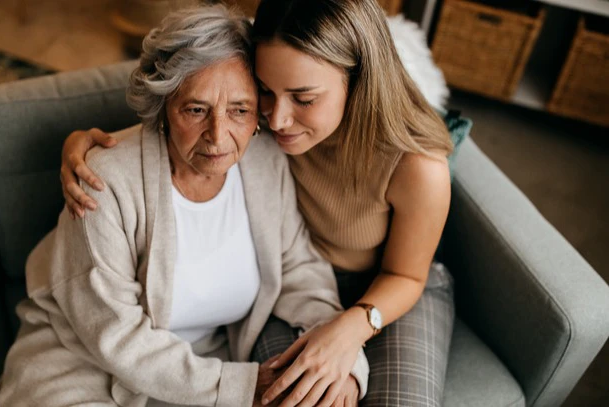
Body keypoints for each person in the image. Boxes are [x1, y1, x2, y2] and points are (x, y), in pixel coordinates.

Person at [60, 0, 456, 406]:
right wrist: (88, 149)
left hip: (392, 288)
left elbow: (406, 275)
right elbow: (196, 91)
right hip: (296, 282)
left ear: (357, 81)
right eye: (265, 92)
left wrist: (349, 337)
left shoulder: (416, 166)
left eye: (303, 99)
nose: (279, 119)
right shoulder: (259, 125)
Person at [0, 5, 369, 407]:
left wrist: (343, 362)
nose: (218, 136)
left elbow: (300, 271)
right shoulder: (105, 180)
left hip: (199, 370)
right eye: (196, 109)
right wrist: (236, 387)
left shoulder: (265, 160)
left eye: (239, 110)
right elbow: (114, 335)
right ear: (165, 106)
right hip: (81, 367)